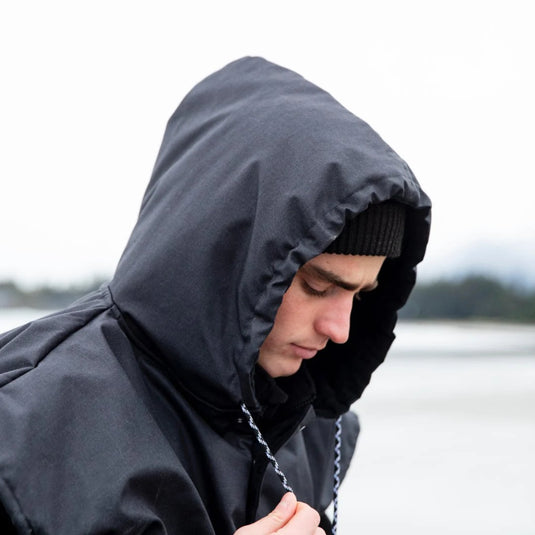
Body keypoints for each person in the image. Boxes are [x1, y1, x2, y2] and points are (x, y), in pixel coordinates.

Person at [0, 57, 431, 534]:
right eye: (318, 286)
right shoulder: (23, 429)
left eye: (359, 296)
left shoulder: (307, 425)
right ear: (227, 253)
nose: (340, 329)